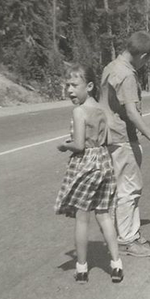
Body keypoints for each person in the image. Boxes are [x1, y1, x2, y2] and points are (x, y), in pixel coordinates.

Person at [100, 31, 150, 257]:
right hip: (122, 138)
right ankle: (128, 240)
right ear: (144, 55)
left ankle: (128, 232)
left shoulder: (110, 67)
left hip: (108, 136)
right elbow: (132, 113)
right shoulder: (127, 75)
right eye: (147, 60)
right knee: (130, 189)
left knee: (119, 188)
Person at [55, 64, 123, 284]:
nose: (70, 91)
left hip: (86, 165)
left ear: (90, 86)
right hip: (104, 162)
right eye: (67, 86)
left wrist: (65, 146)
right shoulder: (100, 110)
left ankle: (82, 268)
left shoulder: (79, 111)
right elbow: (110, 141)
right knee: (104, 215)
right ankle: (116, 265)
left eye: (74, 85)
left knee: (82, 218)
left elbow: (79, 145)